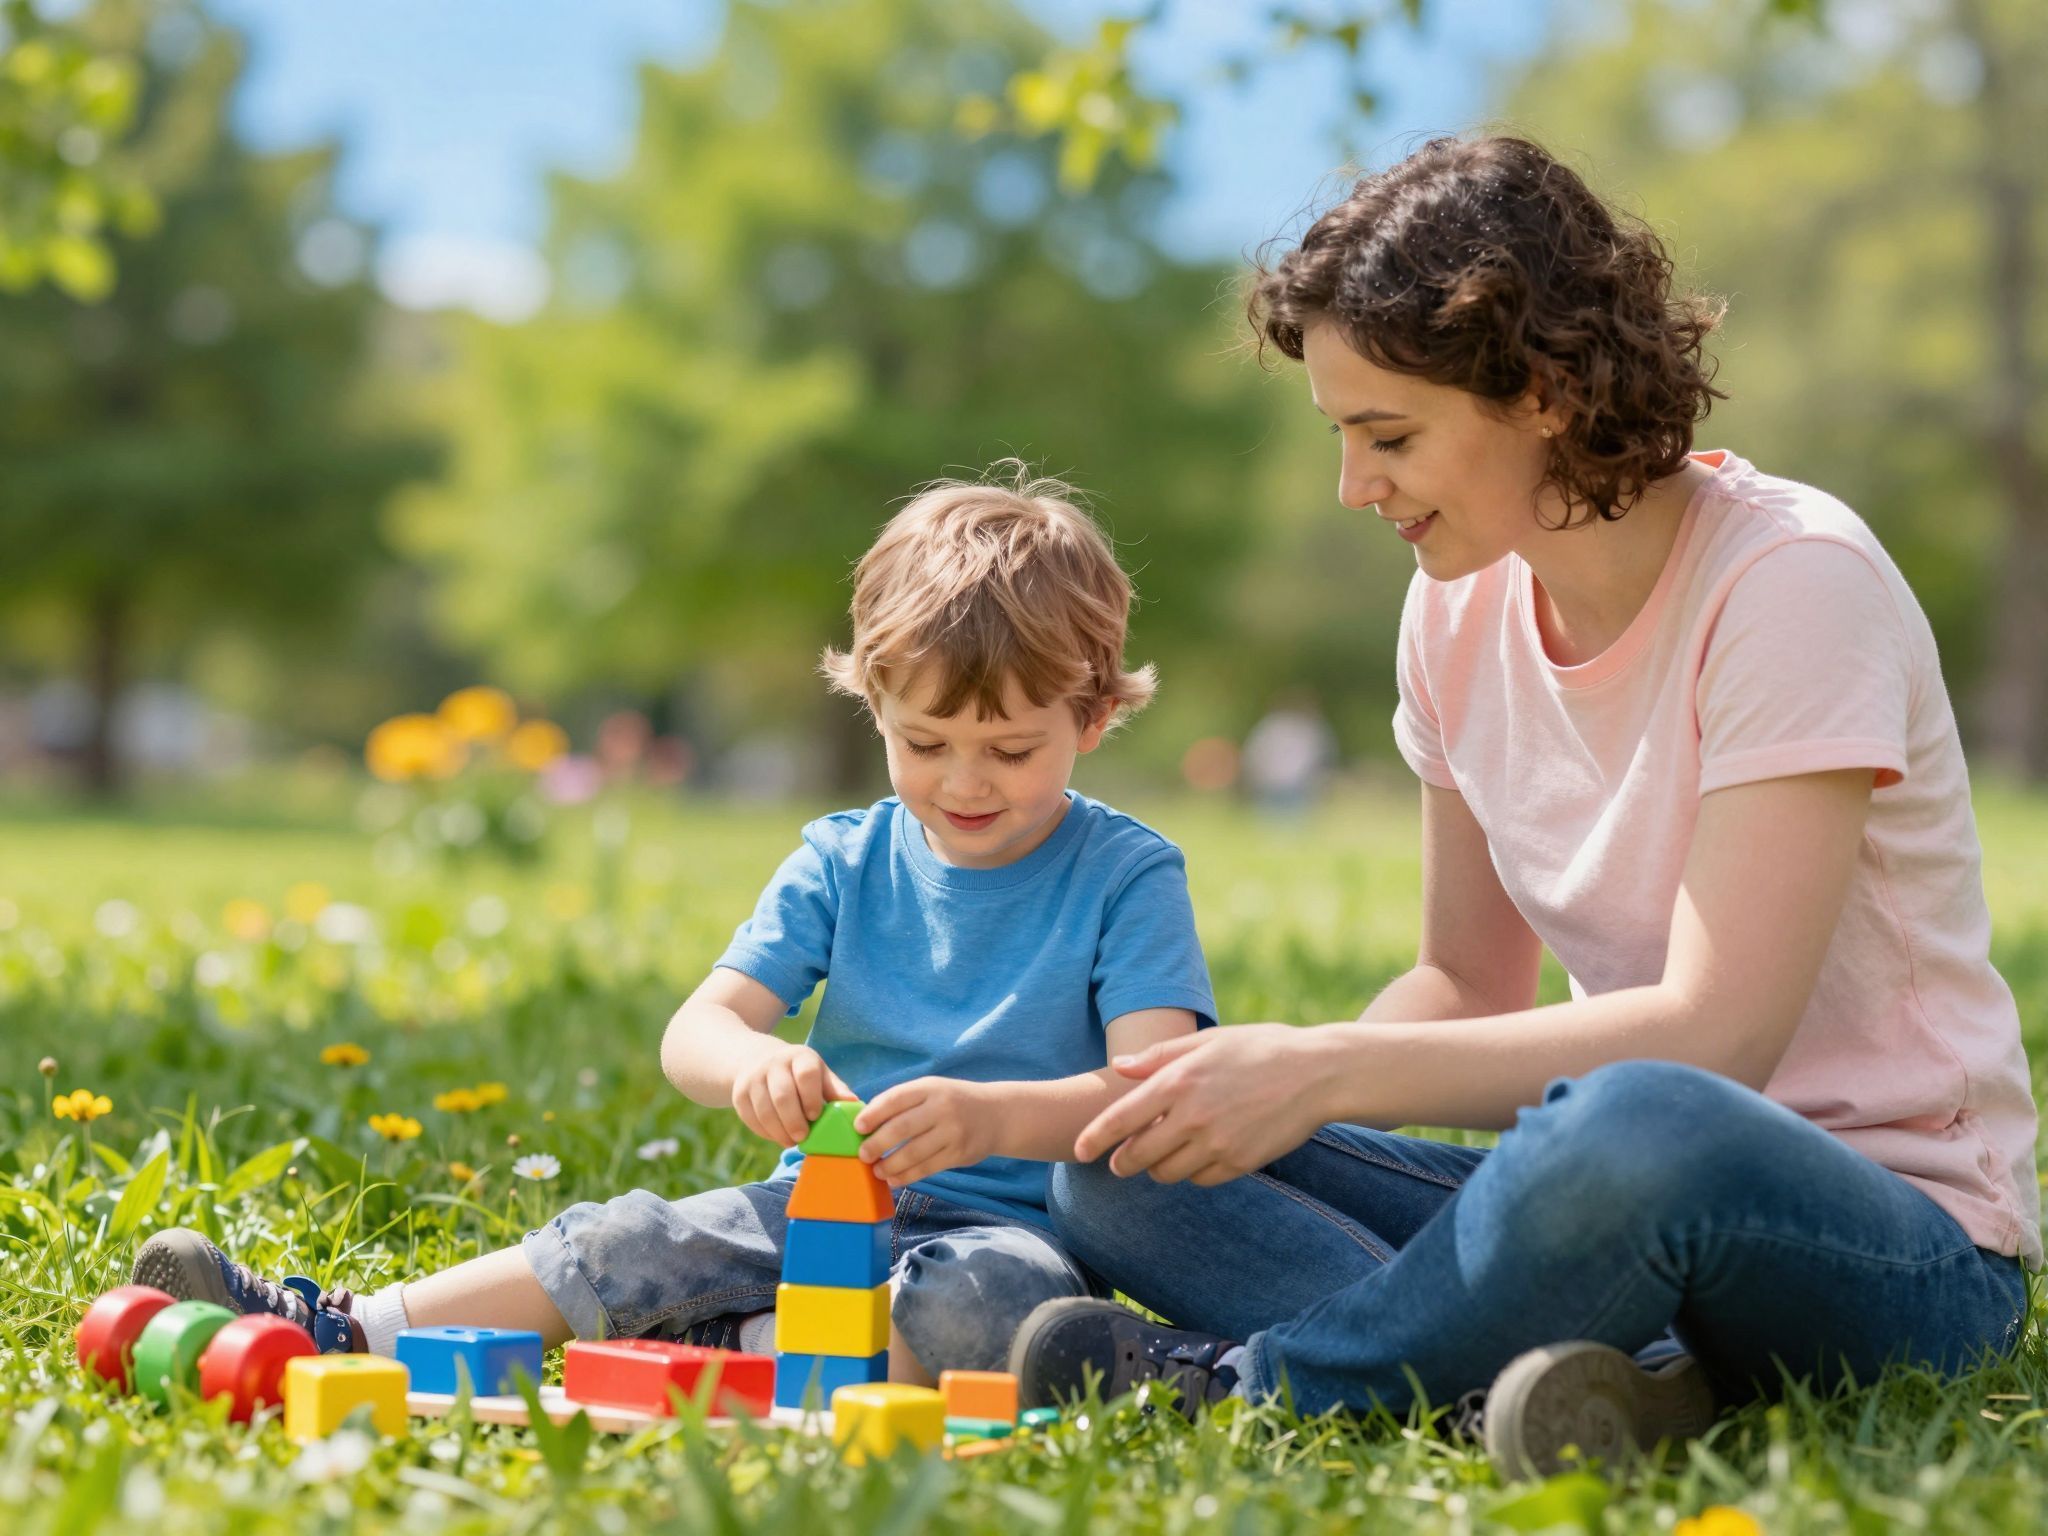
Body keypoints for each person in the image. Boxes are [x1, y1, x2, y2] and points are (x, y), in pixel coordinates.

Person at [1006, 134, 2039, 1480]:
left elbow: (1714, 1038)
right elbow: (1464, 979)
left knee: (1637, 1122)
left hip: (1898, 1246)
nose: (1354, 486)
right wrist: (1257, 1087)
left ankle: (1263, 1384)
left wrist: (1325, 1072)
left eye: (1389, 436)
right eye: (1342, 436)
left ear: (1543, 390)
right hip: (1608, 1188)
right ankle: (1612, 1380)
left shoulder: (1795, 586)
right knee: (1128, 1164)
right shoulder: (1452, 614)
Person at [130, 464, 1216, 1383]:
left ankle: (737, 1347)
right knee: (630, 1236)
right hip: (822, 1204)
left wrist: (990, 1121)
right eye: (923, 742)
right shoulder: (844, 857)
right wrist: (753, 1064)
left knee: (987, 1312)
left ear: (1093, 713)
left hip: (1014, 1233)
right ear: (871, 703)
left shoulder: (1124, 875)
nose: (963, 781)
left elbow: (1154, 1093)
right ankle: (352, 1331)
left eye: (1011, 750)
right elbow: (695, 1030)